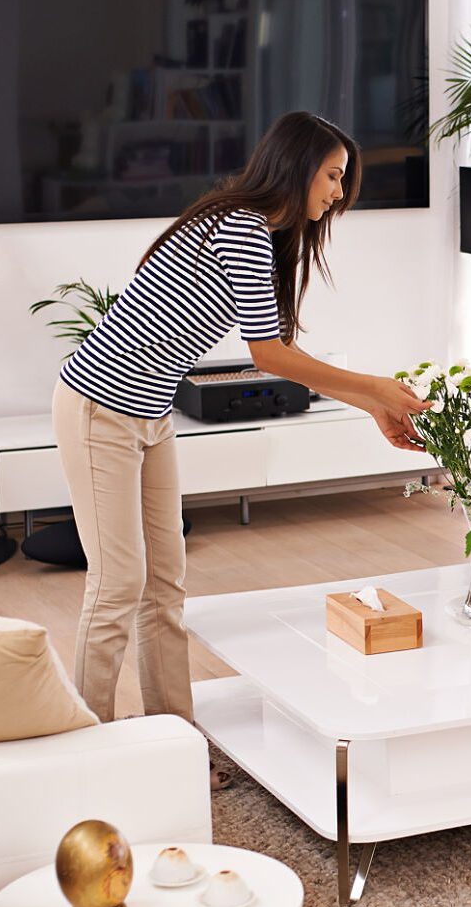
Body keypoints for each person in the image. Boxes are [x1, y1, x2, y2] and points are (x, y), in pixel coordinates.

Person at [52, 111, 428, 726]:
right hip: (99, 407)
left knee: (164, 585)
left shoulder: (265, 232)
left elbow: (282, 351)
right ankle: (82, 741)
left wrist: (372, 407)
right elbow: (269, 356)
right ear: (299, 166)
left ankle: (175, 733)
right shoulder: (241, 225)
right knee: (118, 583)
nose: (338, 194)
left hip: (151, 414)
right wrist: (377, 390)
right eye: (333, 176)